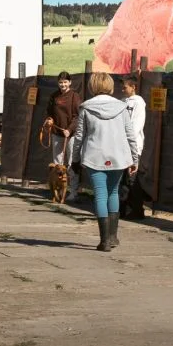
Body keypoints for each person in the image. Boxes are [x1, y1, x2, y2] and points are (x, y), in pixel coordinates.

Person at [71, 72, 139, 252]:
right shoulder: (121, 107)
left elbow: (79, 136)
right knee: (113, 192)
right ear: (110, 86)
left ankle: (104, 241)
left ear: (92, 86)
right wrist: (134, 158)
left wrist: (75, 159)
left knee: (100, 194)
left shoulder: (85, 108)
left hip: (94, 156)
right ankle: (113, 236)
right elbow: (130, 134)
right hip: (118, 156)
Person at [44, 71, 83, 200]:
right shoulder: (54, 96)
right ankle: (57, 191)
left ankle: (73, 191)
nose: (63, 84)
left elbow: (77, 116)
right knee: (57, 163)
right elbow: (49, 112)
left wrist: (70, 129)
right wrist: (50, 120)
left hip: (70, 135)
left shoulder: (74, 96)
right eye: (60, 82)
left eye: (65, 82)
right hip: (57, 133)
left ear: (70, 83)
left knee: (71, 162)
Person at [118, 74, 147, 219]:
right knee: (124, 179)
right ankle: (123, 209)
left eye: (125, 87)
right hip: (122, 145)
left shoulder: (138, 102)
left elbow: (136, 125)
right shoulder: (122, 101)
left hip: (133, 145)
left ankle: (136, 209)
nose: (122, 90)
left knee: (131, 178)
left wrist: (128, 141)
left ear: (133, 87)